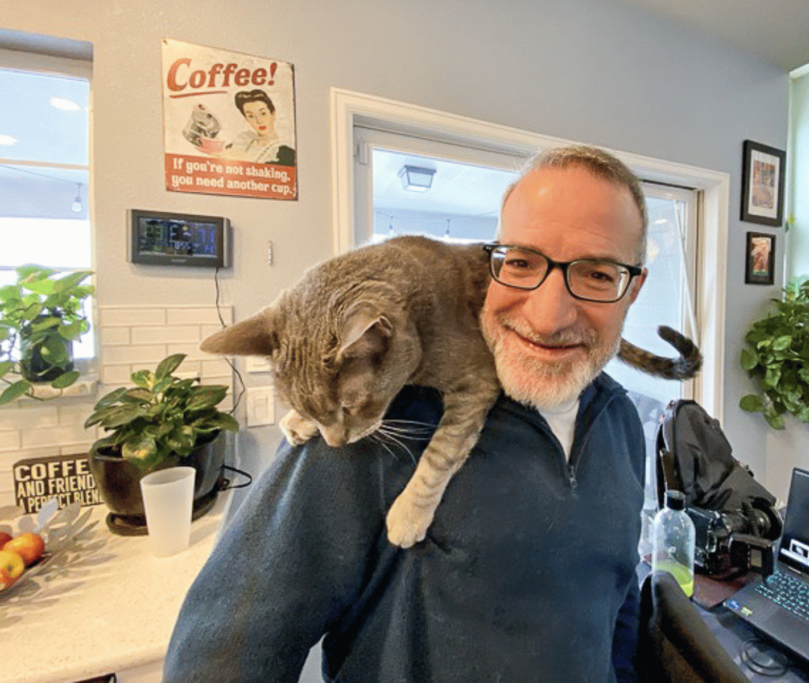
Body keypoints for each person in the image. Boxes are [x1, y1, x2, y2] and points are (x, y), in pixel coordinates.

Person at [163, 144, 650, 682]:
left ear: (633, 291)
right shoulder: (366, 435)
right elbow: (218, 662)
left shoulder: (621, 423)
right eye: (522, 262)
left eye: (598, 276)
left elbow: (617, 602)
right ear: (492, 263)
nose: (549, 315)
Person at [222, 89, 296, 166]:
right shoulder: (241, 142)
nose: (259, 121)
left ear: (273, 113)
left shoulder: (287, 154)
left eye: (263, 113)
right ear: (246, 119)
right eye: (251, 116)